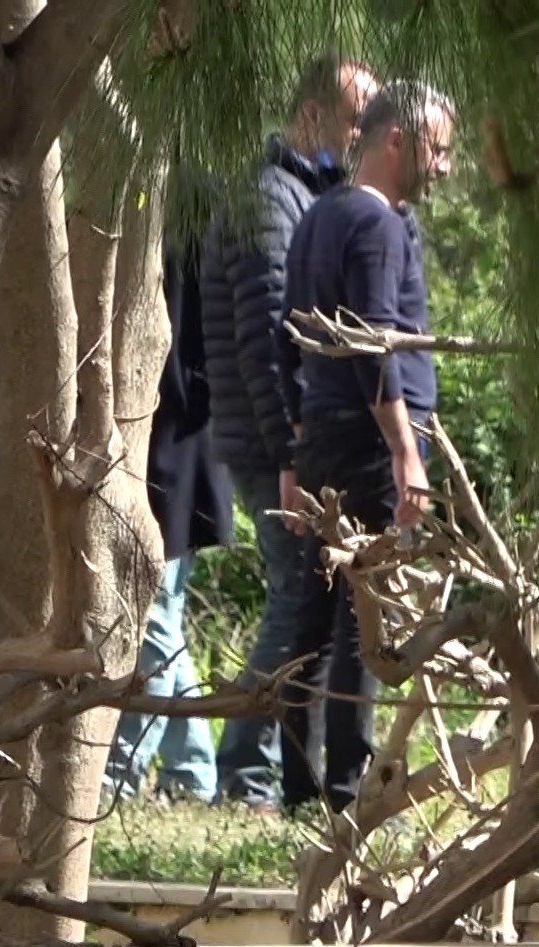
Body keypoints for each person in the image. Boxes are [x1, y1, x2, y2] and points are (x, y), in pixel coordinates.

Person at [197, 54, 378, 811]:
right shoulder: (272, 200)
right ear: (313, 118)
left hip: (286, 440)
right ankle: (244, 766)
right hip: (272, 443)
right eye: (356, 120)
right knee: (297, 595)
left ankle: (255, 762)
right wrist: (287, 454)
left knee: (303, 593)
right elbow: (268, 338)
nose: (367, 134)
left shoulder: (307, 195)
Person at [272, 79, 456, 813]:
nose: (443, 167)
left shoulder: (318, 216)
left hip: (320, 438)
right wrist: (407, 453)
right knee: (365, 615)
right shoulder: (378, 227)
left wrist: (295, 447)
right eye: (438, 150)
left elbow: (286, 340)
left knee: (311, 618)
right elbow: (376, 343)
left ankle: (296, 786)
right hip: (370, 445)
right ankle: (346, 787)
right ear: (397, 141)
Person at [104, 227, 234, 805]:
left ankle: (123, 769)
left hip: (174, 446)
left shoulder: (186, 236)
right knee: (164, 614)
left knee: (153, 612)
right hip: (180, 443)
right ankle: (193, 773)